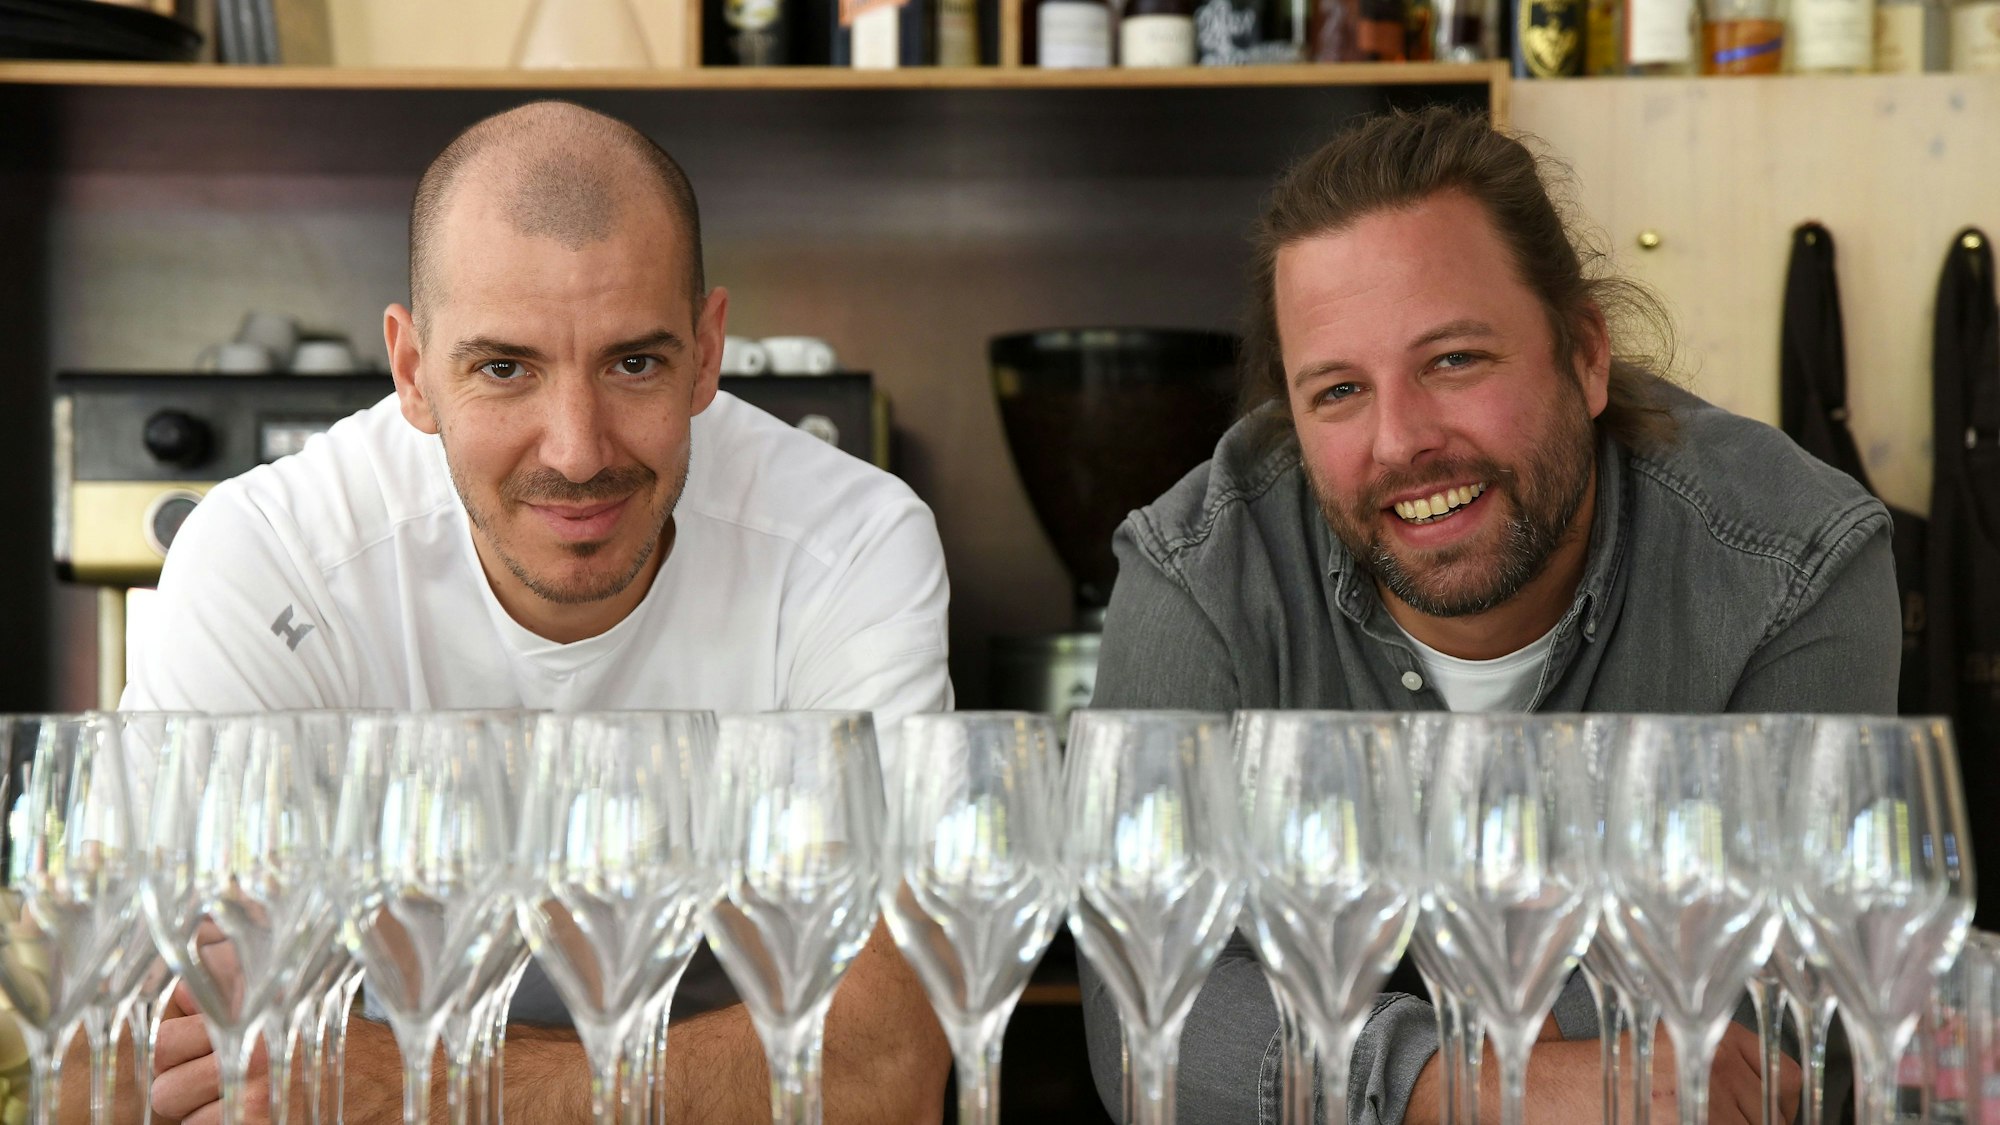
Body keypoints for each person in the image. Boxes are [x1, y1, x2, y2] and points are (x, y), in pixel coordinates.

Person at [121, 100, 953, 1124]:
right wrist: (720, 1077)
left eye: (633, 362)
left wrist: (404, 1080)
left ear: (706, 351)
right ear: (414, 371)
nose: (576, 449)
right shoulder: (268, 559)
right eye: (504, 368)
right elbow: (154, 1059)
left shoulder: (850, 547)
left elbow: (886, 1069)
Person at [1081, 106, 1891, 1123]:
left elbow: (1773, 1047)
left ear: (1585, 356)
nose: (1399, 442)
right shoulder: (1196, 571)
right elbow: (1139, 1019)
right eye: (1335, 390)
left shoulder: (1790, 561)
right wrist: (1449, 1085)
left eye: (1452, 361)